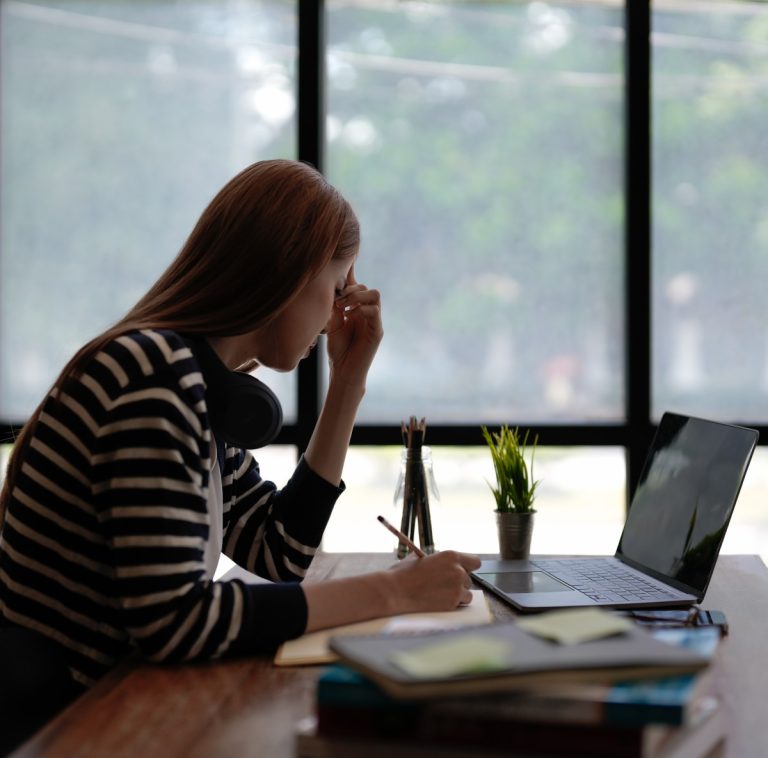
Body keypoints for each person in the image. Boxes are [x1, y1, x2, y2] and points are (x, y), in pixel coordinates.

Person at [0, 159, 480, 751]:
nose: (337, 315)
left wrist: (348, 382)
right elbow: (175, 624)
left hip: (117, 708)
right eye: (334, 289)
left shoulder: (197, 386)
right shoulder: (152, 373)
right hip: (78, 729)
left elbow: (280, 550)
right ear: (288, 272)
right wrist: (396, 592)